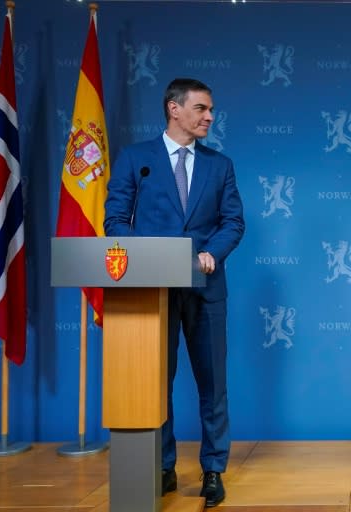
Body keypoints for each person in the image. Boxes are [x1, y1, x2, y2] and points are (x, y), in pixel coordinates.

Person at [104, 77, 245, 507]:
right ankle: (161, 466)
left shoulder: (219, 164)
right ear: (174, 109)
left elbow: (232, 223)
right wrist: (143, 257)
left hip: (205, 289)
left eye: (211, 110)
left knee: (212, 384)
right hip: (152, 291)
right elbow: (115, 219)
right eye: (202, 108)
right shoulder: (136, 159)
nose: (209, 117)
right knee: (154, 384)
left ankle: (213, 470)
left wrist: (211, 253)